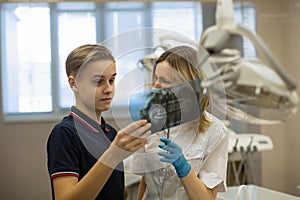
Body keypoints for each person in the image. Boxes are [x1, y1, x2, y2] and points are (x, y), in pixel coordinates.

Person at [47, 44, 151, 200]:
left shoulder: (111, 134)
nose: (108, 89)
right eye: (98, 82)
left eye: (112, 80)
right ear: (73, 83)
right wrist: (113, 154)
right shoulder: (64, 134)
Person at [131, 45, 229, 200]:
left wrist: (184, 168)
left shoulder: (215, 131)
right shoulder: (150, 122)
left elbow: (208, 197)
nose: (155, 86)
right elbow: (145, 180)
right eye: (156, 78)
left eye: (165, 81)